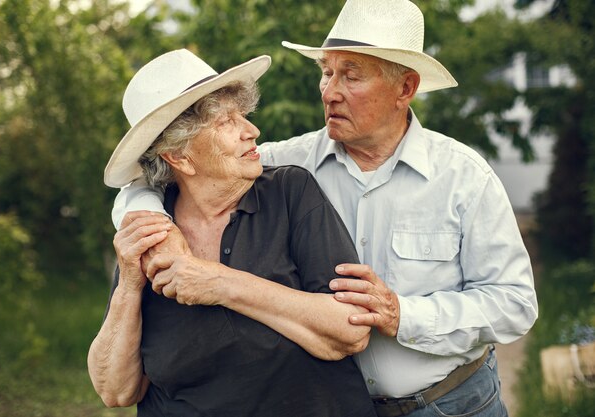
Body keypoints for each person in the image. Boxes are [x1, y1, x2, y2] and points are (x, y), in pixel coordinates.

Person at [112, 1, 539, 416]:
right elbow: (160, 173)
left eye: (351, 76)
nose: (330, 91)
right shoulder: (283, 164)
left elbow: (514, 303)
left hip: (450, 403)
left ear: (405, 88)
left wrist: (402, 314)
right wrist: (157, 225)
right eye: (326, 72)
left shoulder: (463, 177)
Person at [88, 49, 378, 417]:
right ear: (179, 156)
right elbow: (116, 391)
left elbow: (350, 330)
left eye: (242, 115)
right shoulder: (152, 233)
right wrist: (129, 284)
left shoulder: (289, 192)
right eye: (226, 122)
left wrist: (221, 284)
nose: (251, 131)